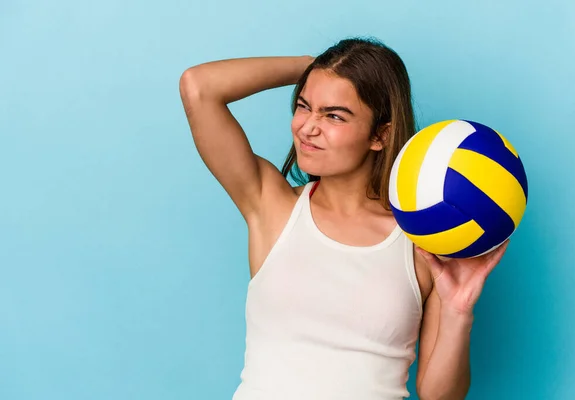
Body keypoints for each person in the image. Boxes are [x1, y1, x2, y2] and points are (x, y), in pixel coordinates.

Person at [178, 37, 508, 400]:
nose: (307, 127)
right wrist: (312, 66)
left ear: (380, 135)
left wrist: (458, 311)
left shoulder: (421, 242)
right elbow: (199, 88)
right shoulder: (271, 205)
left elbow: (438, 396)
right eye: (304, 107)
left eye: (334, 115)